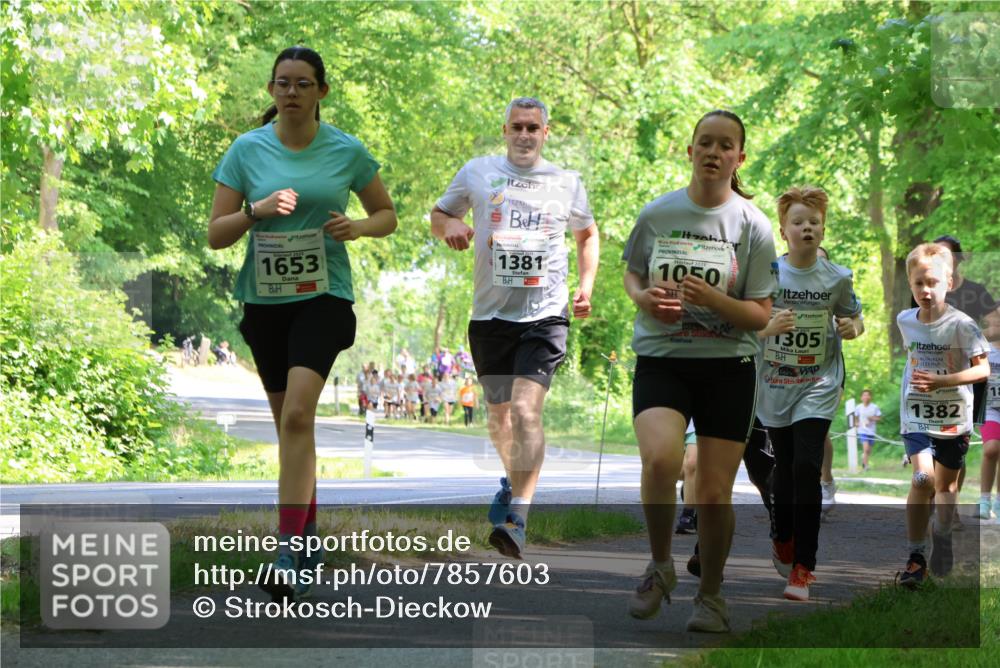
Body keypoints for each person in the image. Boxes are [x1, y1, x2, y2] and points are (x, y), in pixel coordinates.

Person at [207, 46, 397, 602]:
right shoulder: (246, 150)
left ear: (321, 92)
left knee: (297, 415)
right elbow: (217, 233)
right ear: (271, 91)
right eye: (283, 83)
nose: (291, 92)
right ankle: (308, 536)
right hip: (265, 302)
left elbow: (386, 215)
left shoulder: (345, 149)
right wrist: (257, 211)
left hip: (325, 296)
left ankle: (286, 550)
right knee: (291, 429)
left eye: (303, 83)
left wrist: (357, 228)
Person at [621, 110, 777, 632]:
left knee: (712, 492)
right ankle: (661, 565)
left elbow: (760, 315)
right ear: (689, 151)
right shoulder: (658, 213)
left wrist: (713, 299)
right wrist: (644, 298)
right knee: (662, 459)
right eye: (704, 143)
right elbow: (633, 272)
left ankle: (711, 596)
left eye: (725, 145)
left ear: (739, 158)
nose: (713, 152)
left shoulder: (753, 226)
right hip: (663, 358)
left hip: (728, 367)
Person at [430, 97, 600, 559]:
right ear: (504, 130)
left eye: (533, 128)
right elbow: (439, 215)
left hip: (545, 315)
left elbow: (587, 235)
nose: (524, 135)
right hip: (489, 316)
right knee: (499, 419)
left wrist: (585, 286)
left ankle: (519, 519)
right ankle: (512, 481)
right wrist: (450, 229)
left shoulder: (566, 182)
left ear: (547, 132)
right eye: (516, 127)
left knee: (527, 413)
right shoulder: (477, 172)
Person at [756, 186, 863, 601]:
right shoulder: (767, 274)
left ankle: (803, 567)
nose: (807, 229)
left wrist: (853, 328)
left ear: (822, 230)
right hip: (776, 383)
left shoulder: (837, 276)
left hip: (819, 383)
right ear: (783, 230)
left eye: (814, 223)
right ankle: (782, 535)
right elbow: (746, 323)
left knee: (805, 466)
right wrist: (768, 328)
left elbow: (854, 319)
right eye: (798, 222)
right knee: (783, 469)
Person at [896, 243, 989, 588]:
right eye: (919, 283)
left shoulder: (962, 325)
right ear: (910, 283)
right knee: (923, 480)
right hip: (917, 413)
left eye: (933, 282)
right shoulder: (905, 320)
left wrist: (943, 381)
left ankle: (944, 534)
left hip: (953, 414)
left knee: (947, 486)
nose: (926, 290)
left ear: (949, 283)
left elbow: (982, 371)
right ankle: (915, 556)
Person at [976, 339, 1000, 519]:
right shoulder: (984, 347)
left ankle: (998, 502)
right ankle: (984, 499)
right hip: (990, 407)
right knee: (991, 449)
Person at [853, 389, 882, 471]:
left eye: (868, 395)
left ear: (870, 397)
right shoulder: (858, 407)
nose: (866, 397)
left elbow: (879, 418)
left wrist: (872, 418)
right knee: (865, 449)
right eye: (864, 395)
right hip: (862, 431)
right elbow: (855, 419)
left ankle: (864, 459)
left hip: (871, 431)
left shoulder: (874, 407)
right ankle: (865, 466)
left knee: (868, 451)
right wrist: (857, 423)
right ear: (861, 397)